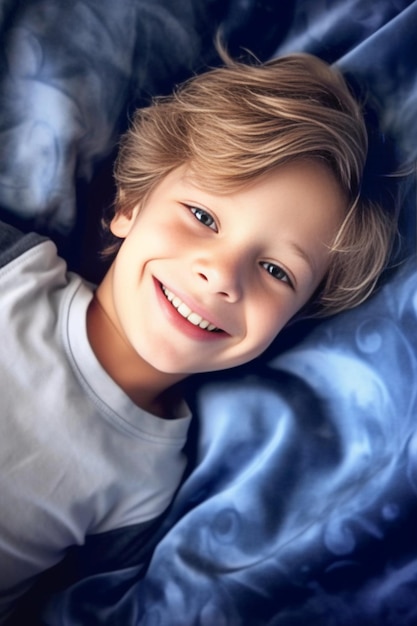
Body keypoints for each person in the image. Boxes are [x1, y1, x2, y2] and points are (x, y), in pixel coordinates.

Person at [0, 50, 398, 623]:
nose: (221, 275)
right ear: (129, 206)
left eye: (277, 272)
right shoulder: (15, 270)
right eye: (204, 217)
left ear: (293, 321)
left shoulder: (151, 481)